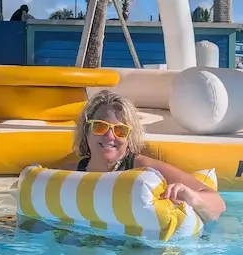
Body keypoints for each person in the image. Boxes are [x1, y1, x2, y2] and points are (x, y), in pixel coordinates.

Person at [71, 90, 226, 223]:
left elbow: (218, 205)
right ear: (86, 130)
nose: (110, 136)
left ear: (129, 137)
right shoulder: (71, 172)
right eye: (99, 126)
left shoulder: (145, 169)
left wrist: (191, 197)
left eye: (120, 130)